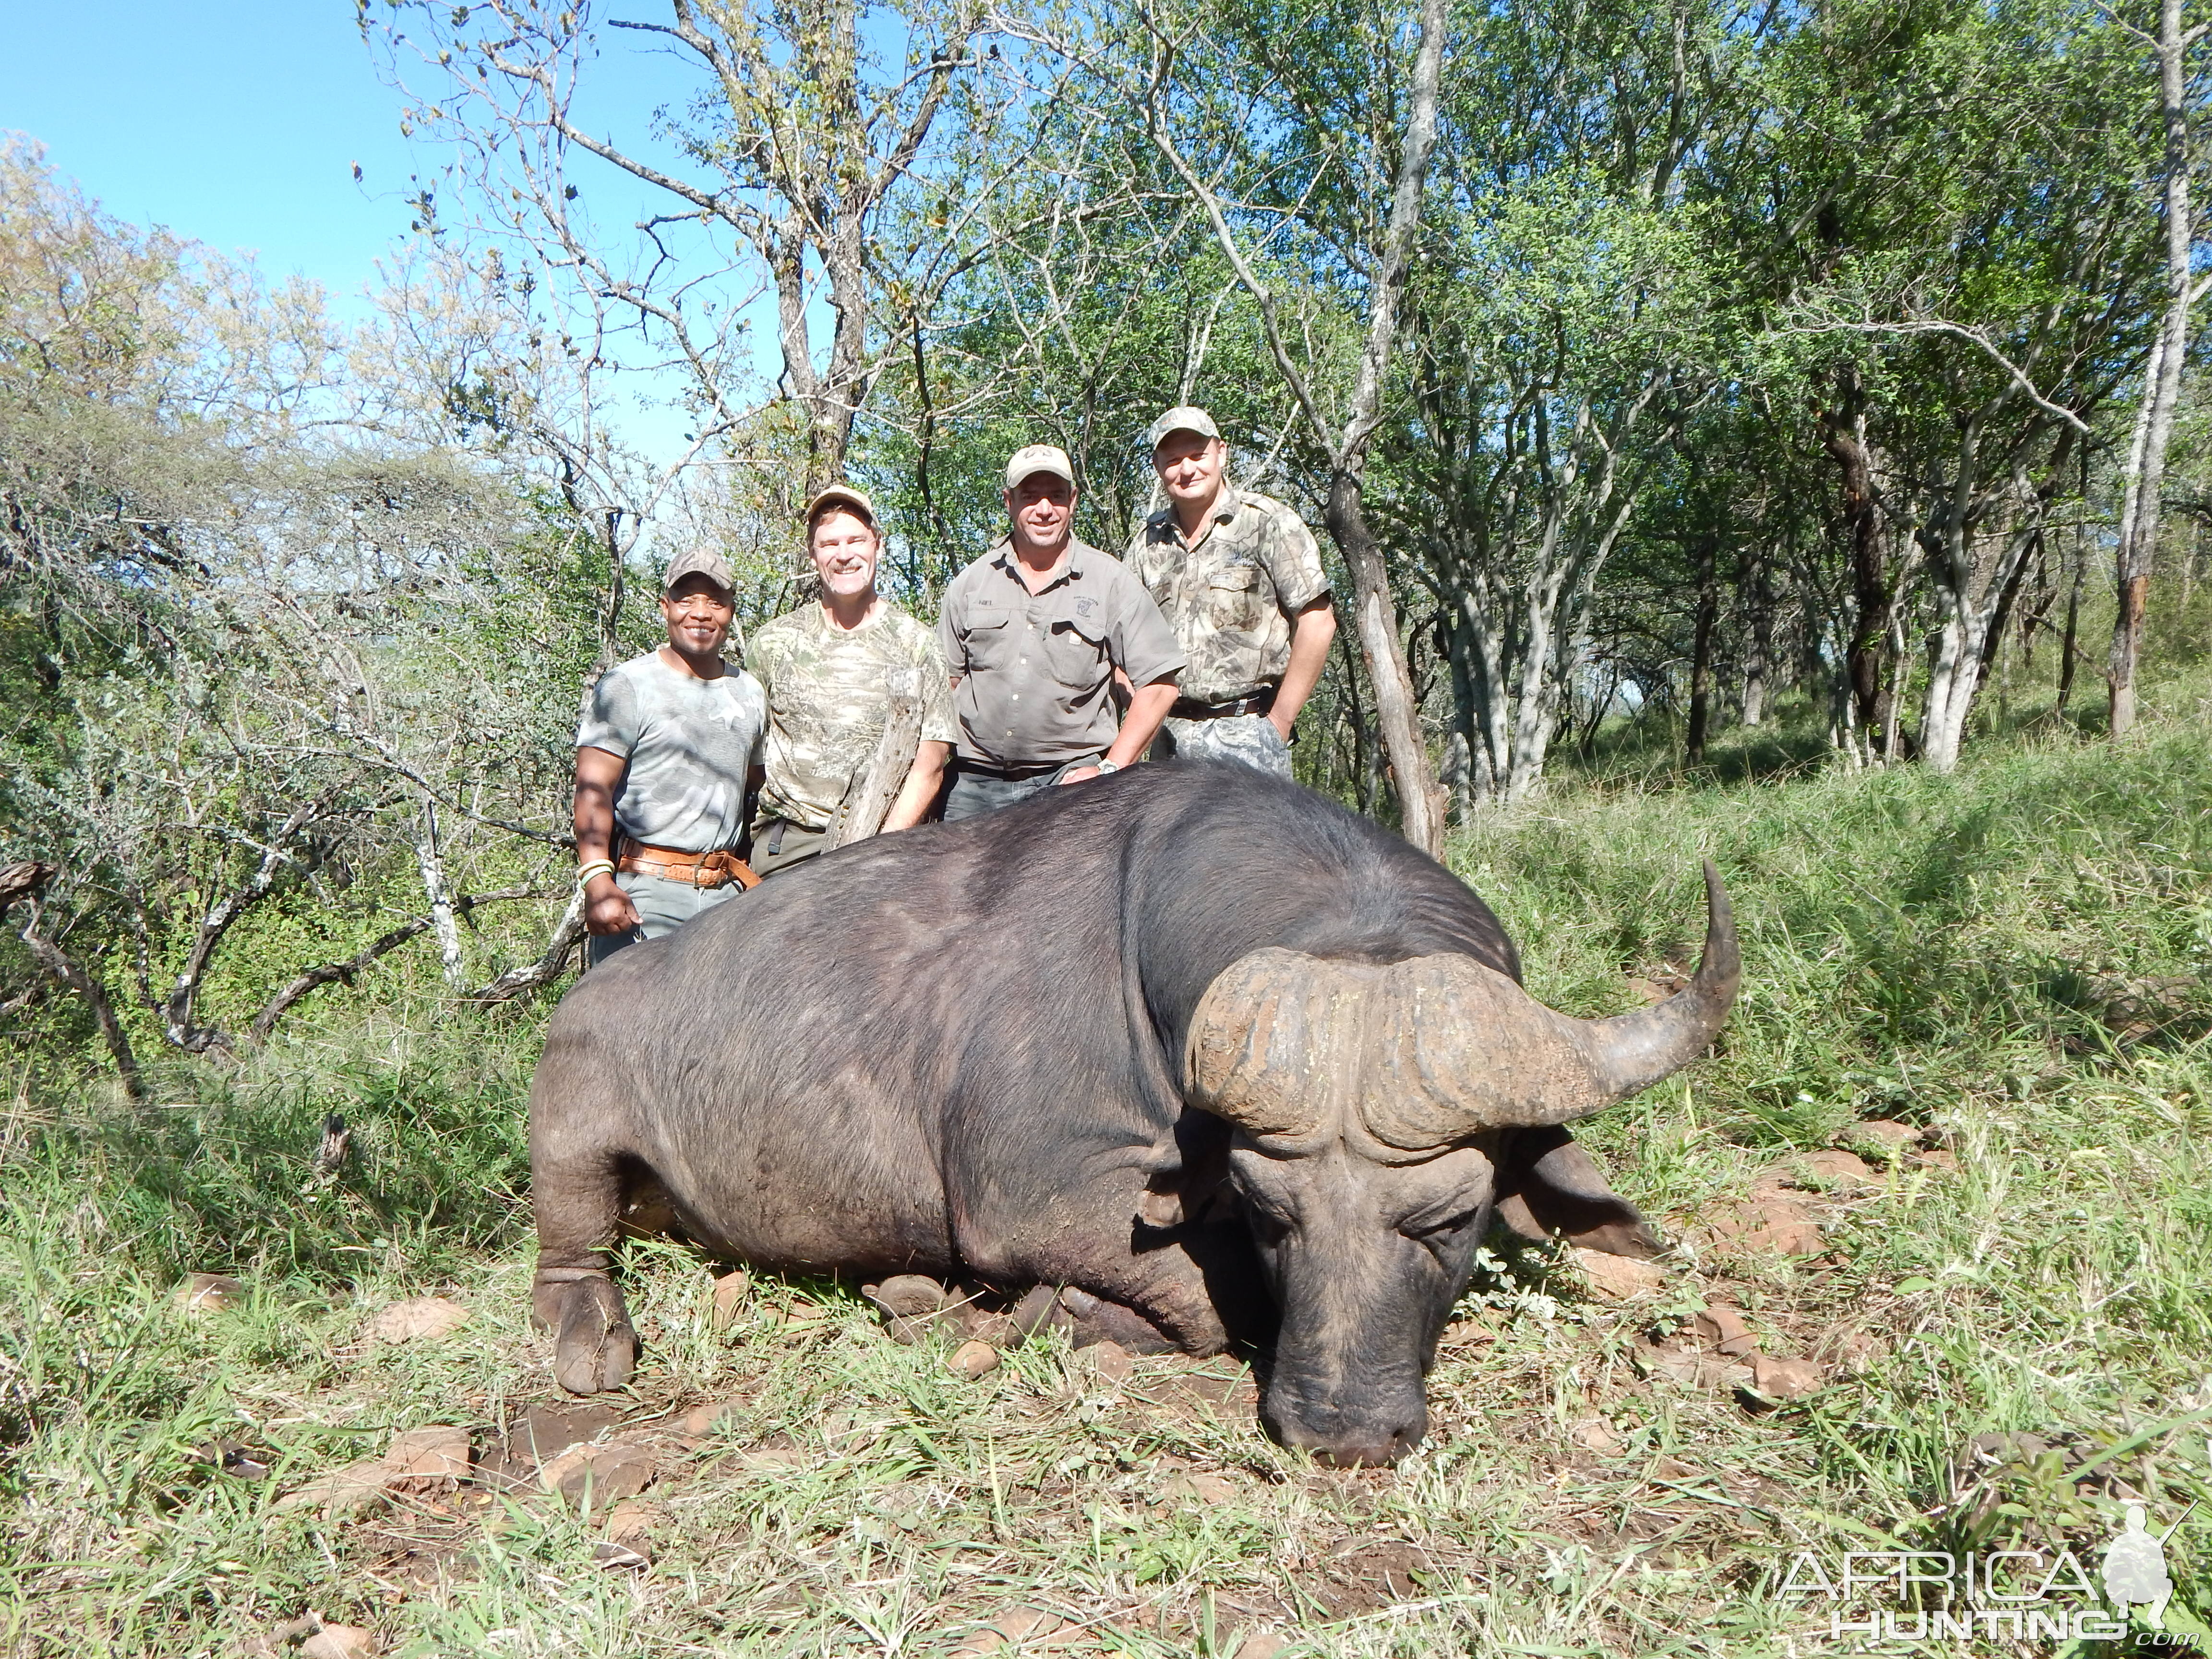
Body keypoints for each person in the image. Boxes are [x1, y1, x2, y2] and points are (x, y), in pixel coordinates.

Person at [937, 444, 1185, 820]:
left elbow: (1161, 684)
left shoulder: (1111, 582)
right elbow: (945, 689)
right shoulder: (971, 584)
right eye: (1030, 497)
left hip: (1069, 785)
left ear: (1073, 500)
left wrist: (1110, 770)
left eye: (1055, 496)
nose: (1044, 509)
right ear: (1009, 501)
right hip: (972, 787)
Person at [746, 485, 958, 877]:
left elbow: (931, 763)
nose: (844, 555)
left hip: (883, 843)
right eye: (829, 544)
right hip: (788, 845)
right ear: (814, 555)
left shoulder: (917, 643)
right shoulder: (774, 643)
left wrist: (882, 845)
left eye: (856, 540)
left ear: (878, 544)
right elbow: (748, 753)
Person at [574, 548, 767, 965]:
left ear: (731, 612)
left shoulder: (749, 692)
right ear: (665, 608)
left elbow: (754, 790)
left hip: (726, 898)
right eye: (686, 600)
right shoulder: (628, 685)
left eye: (715, 602)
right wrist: (598, 882)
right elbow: (593, 790)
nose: (700, 613)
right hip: (646, 892)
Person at [1125, 406, 1337, 777]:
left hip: (1250, 737)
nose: (1187, 470)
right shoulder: (1147, 543)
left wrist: (1278, 724)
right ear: (1159, 467)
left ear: (1222, 452)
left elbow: (1318, 622)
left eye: (1197, 455)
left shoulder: (1267, 523)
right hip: (1168, 744)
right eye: (1173, 460)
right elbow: (1122, 639)